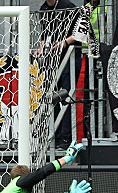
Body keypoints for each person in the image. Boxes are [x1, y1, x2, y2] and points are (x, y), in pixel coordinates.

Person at [37, 0, 83, 148]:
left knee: (67, 96)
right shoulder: (43, 9)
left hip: (69, 58)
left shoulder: (69, 6)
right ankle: (54, 136)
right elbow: (45, 35)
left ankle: (66, 137)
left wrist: (65, 42)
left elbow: (81, 31)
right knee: (53, 98)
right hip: (52, 60)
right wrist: (41, 48)